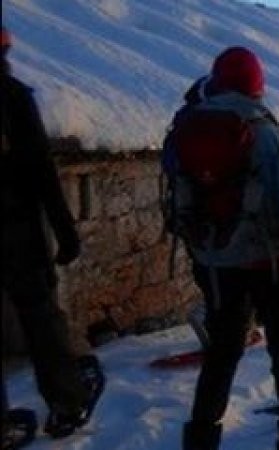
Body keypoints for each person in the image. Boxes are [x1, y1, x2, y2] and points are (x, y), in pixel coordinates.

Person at [169, 46, 279, 450]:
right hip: (268, 259)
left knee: (222, 351)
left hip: (215, 259)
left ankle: (201, 437)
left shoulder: (186, 127)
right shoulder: (264, 130)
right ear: (257, 85)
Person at [0, 24, 104, 441]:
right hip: (16, 230)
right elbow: (42, 169)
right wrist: (66, 230)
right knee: (41, 318)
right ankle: (68, 403)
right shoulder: (11, 97)